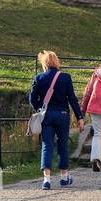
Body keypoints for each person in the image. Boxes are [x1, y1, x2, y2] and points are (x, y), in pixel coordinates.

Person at [28, 50, 81, 189]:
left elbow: (32, 99)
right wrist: (79, 117)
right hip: (62, 115)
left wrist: (40, 108)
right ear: (57, 62)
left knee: (47, 145)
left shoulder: (38, 78)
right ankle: (64, 177)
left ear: (44, 63)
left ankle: (47, 179)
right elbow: (72, 99)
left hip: (46, 116)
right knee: (63, 144)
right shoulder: (65, 78)